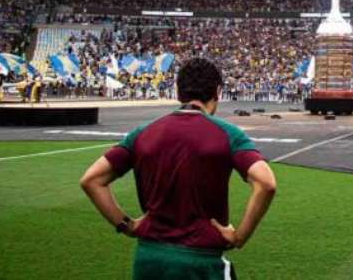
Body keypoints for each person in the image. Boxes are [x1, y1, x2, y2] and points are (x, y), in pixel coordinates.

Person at [80, 57, 277, 280]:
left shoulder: (143, 133)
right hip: (201, 263)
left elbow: (91, 179)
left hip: (148, 261)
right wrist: (239, 236)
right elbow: (266, 182)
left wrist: (128, 225)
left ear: (177, 91)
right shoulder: (228, 134)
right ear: (218, 91)